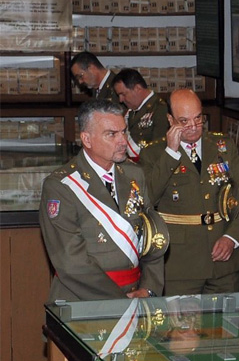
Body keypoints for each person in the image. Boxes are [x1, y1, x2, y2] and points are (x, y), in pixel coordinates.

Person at [39, 99, 168, 302]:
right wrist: (119, 301)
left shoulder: (135, 175)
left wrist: (149, 289)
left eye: (123, 132)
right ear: (87, 139)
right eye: (112, 134)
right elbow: (71, 262)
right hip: (84, 301)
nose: (123, 141)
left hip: (137, 294)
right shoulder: (61, 186)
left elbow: (153, 237)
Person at [139, 89, 239, 295]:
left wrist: (232, 237)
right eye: (184, 121)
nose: (193, 127)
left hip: (224, 262)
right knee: (183, 327)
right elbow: (148, 199)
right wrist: (171, 154)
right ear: (170, 120)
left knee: (226, 325)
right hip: (181, 265)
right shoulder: (153, 153)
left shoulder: (222, 146)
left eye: (198, 118)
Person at [111, 68, 170, 158]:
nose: (120, 99)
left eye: (123, 94)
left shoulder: (160, 109)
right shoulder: (129, 111)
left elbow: (160, 148)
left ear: (138, 88)